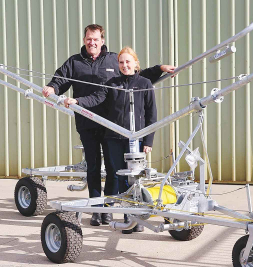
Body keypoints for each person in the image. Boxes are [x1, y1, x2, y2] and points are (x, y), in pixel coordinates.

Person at [42, 24, 175, 227]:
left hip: (112, 125)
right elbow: (61, 79)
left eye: (95, 39)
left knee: (115, 170)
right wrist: (52, 87)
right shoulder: (75, 62)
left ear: (102, 40)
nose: (92, 42)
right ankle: (97, 209)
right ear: (84, 39)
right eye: (88, 39)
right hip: (87, 122)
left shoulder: (114, 59)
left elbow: (136, 76)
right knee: (93, 166)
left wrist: (159, 69)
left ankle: (110, 206)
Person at [77, 46, 157, 234]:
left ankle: (133, 217)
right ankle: (123, 214)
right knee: (116, 174)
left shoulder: (145, 83)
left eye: (128, 62)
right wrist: (78, 102)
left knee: (133, 178)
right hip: (113, 137)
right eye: (121, 62)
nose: (124, 65)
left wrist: (148, 141)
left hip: (135, 139)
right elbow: (96, 98)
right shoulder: (112, 83)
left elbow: (151, 115)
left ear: (136, 63)